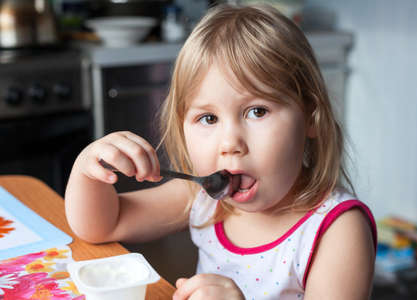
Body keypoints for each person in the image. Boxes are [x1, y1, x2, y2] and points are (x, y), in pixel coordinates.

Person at [65, 4, 377, 300]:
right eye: (209, 118)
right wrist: (88, 171)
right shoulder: (201, 197)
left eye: (256, 111)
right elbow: (102, 224)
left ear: (310, 115)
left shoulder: (337, 230)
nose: (230, 143)